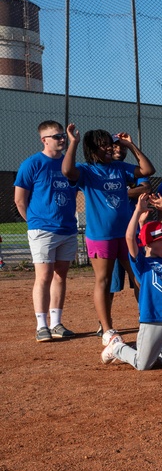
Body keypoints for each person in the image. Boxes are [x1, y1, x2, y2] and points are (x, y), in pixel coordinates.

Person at [62, 125, 155, 345]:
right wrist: (73, 142)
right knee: (103, 281)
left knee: (139, 276)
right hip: (101, 236)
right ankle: (107, 329)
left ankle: (148, 319)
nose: (108, 147)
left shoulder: (119, 167)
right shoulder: (86, 171)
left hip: (127, 235)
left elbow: (148, 170)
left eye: (108, 143)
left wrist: (130, 145)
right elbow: (67, 171)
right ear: (92, 148)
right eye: (102, 144)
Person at [100, 193, 162, 370]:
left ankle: (151, 350)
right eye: (161, 241)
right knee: (142, 365)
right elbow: (130, 239)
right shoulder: (142, 264)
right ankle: (117, 347)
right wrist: (137, 211)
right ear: (148, 244)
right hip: (153, 319)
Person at [14, 121, 78, 342]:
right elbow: (19, 200)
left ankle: (56, 323)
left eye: (62, 135)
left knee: (61, 276)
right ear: (44, 140)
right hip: (42, 230)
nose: (61, 139)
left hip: (68, 228)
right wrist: (35, 224)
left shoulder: (68, 165)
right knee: (44, 276)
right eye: (57, 136)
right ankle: (42, 326)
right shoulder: (32, 164)